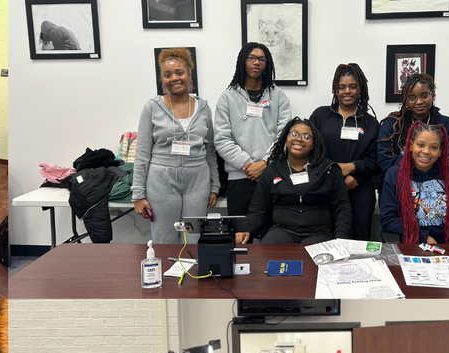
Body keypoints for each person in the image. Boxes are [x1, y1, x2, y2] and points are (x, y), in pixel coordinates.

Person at [131, 48, 219, 245]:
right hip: (161, 181)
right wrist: (138, 195)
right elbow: (142, 153)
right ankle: (168, 276)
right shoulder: (152, 107)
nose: (174, 78)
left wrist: (214, 185)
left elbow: (210, 150)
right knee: (165, 239)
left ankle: (192, 276)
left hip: (198, 181)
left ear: (189, 74)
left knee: (193, 237)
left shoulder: (203, 108)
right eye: (167, 74)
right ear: (162, 80)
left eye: (179, 72)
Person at [236, 118, 352, 244]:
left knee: (314, 260)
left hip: (319, 233)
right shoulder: (271, 171)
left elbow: (342, 209)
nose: (299, 139)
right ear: (286, 138)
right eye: (294, 134)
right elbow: (258, 210)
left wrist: (342, 239)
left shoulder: (330, 170)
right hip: (281, 231)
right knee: (269, 252)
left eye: (306, 137)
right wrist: (245, 229)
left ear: (313, 144)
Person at [214, 43, 292, 216]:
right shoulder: (228, 97)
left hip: (272, 174)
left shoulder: (278, 96)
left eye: (261, 59)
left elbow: (285, 136)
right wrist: (248, 165)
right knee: (242, 234)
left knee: (271, 235)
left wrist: (265, 163)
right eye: (252, 58)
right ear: (243, 61)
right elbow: (221, 139)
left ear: (267, 64)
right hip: (240, 177)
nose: (257, 62)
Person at [308, 64, 382, 241]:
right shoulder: (320, 116)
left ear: (360, 89)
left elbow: (375, 161)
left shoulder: (371, 123)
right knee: (324, 239)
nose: (347, 91)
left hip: (359, 187)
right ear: (335, 89)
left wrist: (352, 169)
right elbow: (310, 152)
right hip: (325, 186)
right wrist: (338, 174)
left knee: (358, 238)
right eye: (342, 87)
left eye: (352, 86)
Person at [379, 123, 449, 244]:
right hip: (411, 246)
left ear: (440, 151)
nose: (426, 151)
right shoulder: (394, 175)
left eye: (433, 147)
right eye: (420, 145)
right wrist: (424, 238)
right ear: (410, 145)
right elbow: (389, 219)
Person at [377, 74, 449, 177]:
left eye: (424, 96)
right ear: (406, 100)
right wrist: (425, 163)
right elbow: (384, 160)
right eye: (412, 97)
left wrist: (420, 166)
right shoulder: (393, 124)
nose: (419, 102)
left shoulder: (446, 125)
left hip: (439, 184)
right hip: (399, 182)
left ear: (433, 95)